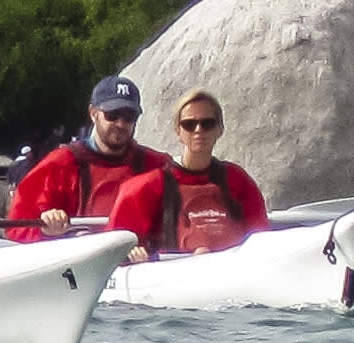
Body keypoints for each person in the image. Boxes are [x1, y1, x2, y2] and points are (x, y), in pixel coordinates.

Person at [104, 90, 270, 260]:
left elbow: (262, 238)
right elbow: (113, 249)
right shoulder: (144, 188)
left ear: (219, 129)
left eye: (208, 123)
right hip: (174, 278)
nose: (199, 130)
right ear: (178, 131)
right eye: (189, 124)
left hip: (234, 275)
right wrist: (134, 253)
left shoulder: (237, 180)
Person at [4, 76, 168, 242]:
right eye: (113, 115)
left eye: (129, 117)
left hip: (140, 263)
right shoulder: (60, 165)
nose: (121, 123)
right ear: (93, 114)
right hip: (80, 263)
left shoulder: (158, 166)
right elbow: (16, 227)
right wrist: (46, 229)